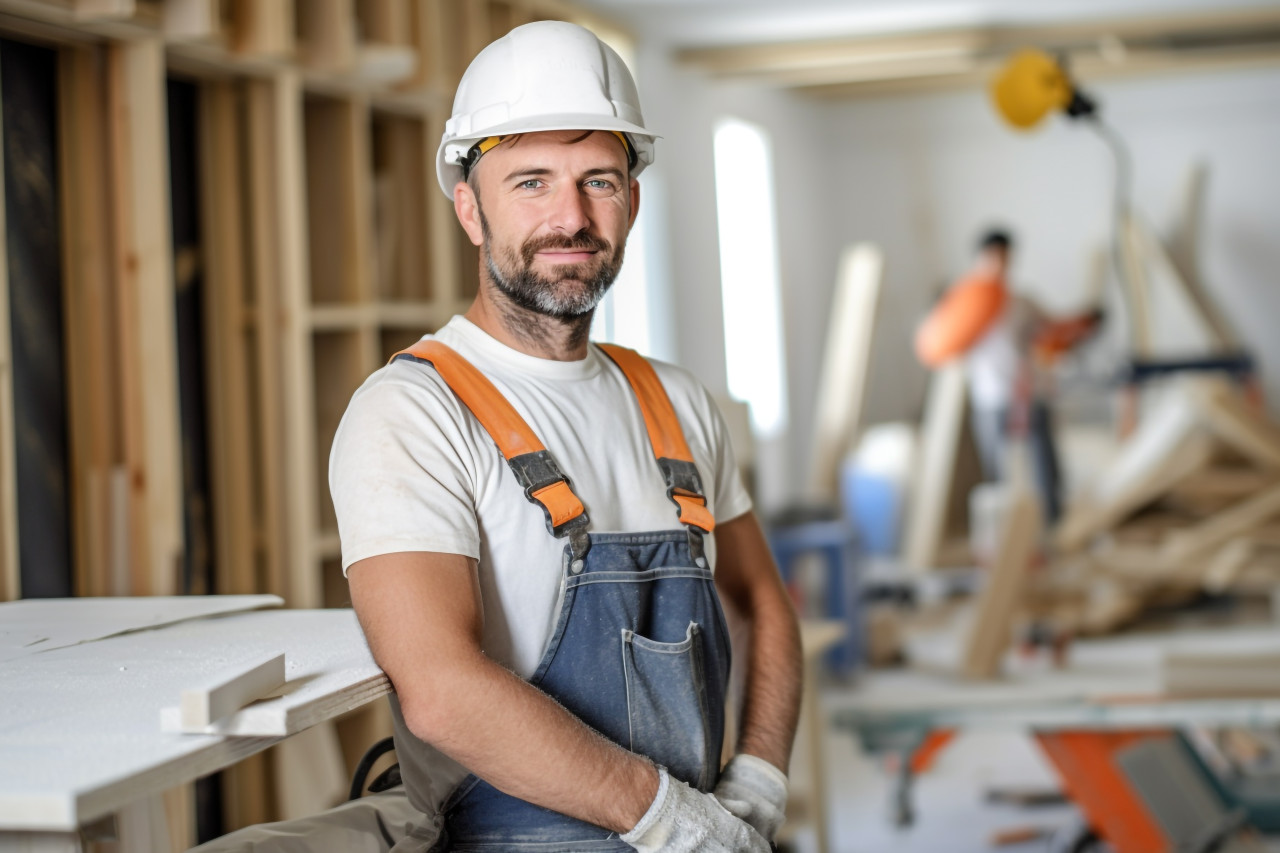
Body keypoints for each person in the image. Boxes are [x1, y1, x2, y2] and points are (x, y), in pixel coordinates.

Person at [191, 20, 801, 853]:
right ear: (470, 208)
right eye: (532, 183)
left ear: (633, 197)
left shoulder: (678, 402)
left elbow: (762, 603)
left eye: (599, 180)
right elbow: (441, 687)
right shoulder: (414, 413)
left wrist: (760, 775)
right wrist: (664, 817)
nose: (571, 217)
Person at [915, 229, 1102, 526]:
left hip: (1030, 394)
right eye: (994, 258)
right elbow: (938, 342)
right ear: (981, 258)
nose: (1000, 265)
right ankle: (1007, 535)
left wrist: (1083, 324)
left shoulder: (1022, 302)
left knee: (1044, 467)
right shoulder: (963, 302)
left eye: (1005, 258)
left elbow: (1052, 332)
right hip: (991, 397)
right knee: (998, 472)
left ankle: (1054, 527)